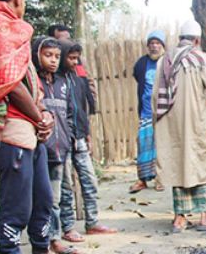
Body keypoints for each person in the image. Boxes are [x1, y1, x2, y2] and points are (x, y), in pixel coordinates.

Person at [153, 21, 206, 233]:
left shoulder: (165, 60)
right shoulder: (199, 58)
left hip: (172, 125)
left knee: (178, 165)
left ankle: (179, 218)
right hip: (197, 123)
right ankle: (205, 216)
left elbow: (156, 95)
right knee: (203, 166)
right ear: (197, 40)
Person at [0, 0, 54, 254]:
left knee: (42, 203)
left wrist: (45, 115)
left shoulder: (14, 31)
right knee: (16, 211)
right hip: (13, 132)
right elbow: (11, 82)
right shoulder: (2, 27)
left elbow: (30, 81)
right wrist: (38, 115)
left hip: (33, 132)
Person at [58, 41, 117, 244]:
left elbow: (82, 108)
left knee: (89, 180)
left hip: (80, 137)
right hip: (62, 140)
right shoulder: (55, 80)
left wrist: (87, 133)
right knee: (65, 186)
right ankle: (67, 227)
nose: (74, 62)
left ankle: (92, 222)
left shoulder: (78, 77)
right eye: (71, 58)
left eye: (77, 58)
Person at [33, 37, 82, 254]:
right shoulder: (34, 83)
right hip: (44, 149)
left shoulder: (63, 83)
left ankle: (62, 232)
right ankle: (52, 240)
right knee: (49, 199)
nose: (53, 61)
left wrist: (70, 137)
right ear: (37, 55)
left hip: (62, 148)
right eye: (48, 55)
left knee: (64, 194)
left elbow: (70, 113)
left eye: (56, 56)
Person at [129, 30, 166, 193]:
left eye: (157, 43)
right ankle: (143, 179)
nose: (154, 47)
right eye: (151, 43)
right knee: (144, 145)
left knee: (162, 146)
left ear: (163, 46)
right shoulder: (141, 63)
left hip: (163, 113)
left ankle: (161, 179)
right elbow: (138, 78)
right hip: (145, 112)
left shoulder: (167, 62)